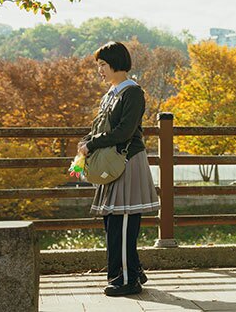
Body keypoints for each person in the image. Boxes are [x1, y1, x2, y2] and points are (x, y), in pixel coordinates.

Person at [78, 41, 160, 296]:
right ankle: (132, 271)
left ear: (117, 63)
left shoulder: (132, 92)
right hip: (113, 165)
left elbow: (124, 132)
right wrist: (85, 144)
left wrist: (91, 144)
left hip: (126, 162)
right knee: (112, 222)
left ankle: (126, 281)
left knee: (122, 223)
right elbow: (102, 129)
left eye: (103, 65)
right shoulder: (111, 94)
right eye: (98, 65)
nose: (99, 70)